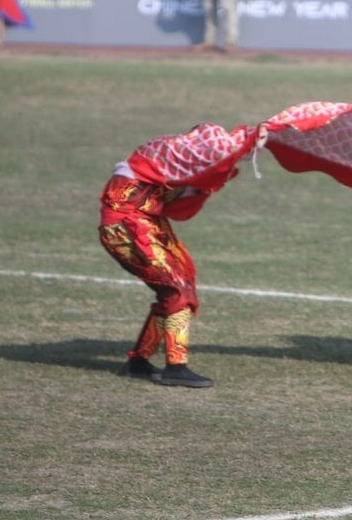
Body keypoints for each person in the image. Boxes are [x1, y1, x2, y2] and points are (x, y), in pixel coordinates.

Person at [99, 122, 264, 387]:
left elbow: (184, 199)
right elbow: (214, 150)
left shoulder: (173, 158)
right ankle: (175, 367)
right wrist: (251, 137)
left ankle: (139, 361)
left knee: (178, 286)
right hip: (127, 226)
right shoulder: (168, 150)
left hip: (143, 223)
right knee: (177, 291)